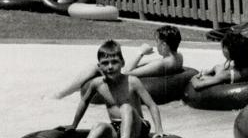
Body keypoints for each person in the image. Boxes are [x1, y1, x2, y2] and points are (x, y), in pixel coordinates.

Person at [69, 40, 165, 138]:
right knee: (99, 126)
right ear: (99, 66)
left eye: (114, 62)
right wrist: (74, 125)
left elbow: (151, 105)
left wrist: (159, 130)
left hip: (138, 126)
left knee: (126, 106)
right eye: (105, 63)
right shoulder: (97, 84)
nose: (110, 67)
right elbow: (84, 101)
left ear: (122, 63)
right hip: (116, 126)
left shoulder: (132, 82)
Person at [55, 25, 184, 100]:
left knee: (94, 67)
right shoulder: (178, 57)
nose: (156, 45)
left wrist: (141, 53)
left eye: (157, 42)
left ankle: (62, 93)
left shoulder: (161, 64)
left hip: (122, 81)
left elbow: (126, 72)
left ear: (164, 45)